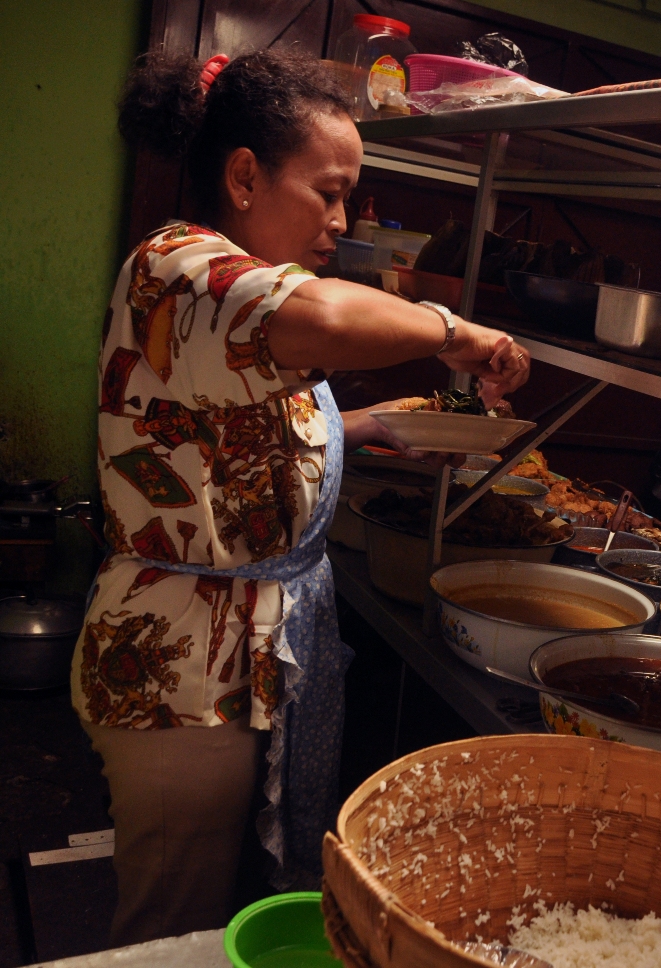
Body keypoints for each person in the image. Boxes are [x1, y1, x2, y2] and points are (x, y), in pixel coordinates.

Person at [76, 50, 530, 944]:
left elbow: (223, 433)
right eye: (328, 193)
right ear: (245, 176)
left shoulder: (235, 294)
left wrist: (369, 426)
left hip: (238, 654)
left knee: (229, 913)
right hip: (183, 671)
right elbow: (324, 316)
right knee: (174, 931)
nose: (341, 221)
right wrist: (457, 332)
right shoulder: (180, 266)